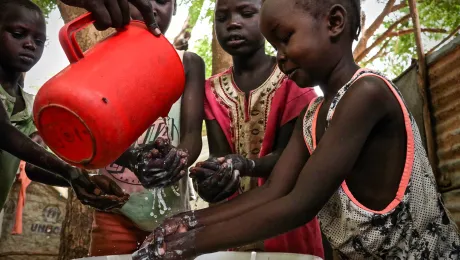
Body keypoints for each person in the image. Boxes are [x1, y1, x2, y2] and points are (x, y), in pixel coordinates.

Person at [132, 0, 460, 259]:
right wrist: (187, 222)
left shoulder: (367, 94)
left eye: (286, 39)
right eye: (275, 45)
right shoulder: (314, 115)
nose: (281, 57)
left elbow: (299, 205)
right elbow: (274, 190)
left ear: (334, 22)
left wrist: (186, 245)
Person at [55, 0, 205, 256]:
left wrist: (178, 159)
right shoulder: (98, 59)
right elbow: (85, 138)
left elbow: (192, 136)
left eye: (162, 0)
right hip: (115, 212)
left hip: (171, 216)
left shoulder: (188, 63)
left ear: (175, 8)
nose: (151, 7)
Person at [189, 0, 323, 256]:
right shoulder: (211, 91)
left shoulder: (295, 81)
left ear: (268, 20)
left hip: (288, 229)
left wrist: (244, 164)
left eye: (247, 13)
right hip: (231, 232)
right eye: (222, 17)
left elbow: (290, 160)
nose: (233, 23)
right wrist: (211, 178)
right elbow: (219, 154)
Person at [0, 0, 128, 211]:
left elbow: (33, 165)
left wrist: (83, 179)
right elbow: (3, 132)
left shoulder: (29, 105)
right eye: (18, 34)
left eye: (39, 40)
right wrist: (69, 171)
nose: (30, 44)